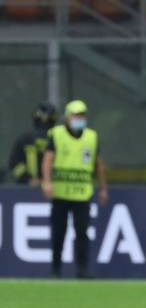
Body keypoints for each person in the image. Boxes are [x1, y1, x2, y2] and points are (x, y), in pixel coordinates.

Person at [41, 100, 108, 278]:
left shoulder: (91, 137)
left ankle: (82, 269)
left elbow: (99, 164)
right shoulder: (56, 134)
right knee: (59, 232)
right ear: (67, 117)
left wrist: (103, 188)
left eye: (82, 115)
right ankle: (56, 269)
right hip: (60, 193)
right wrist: (46, 182)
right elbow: (48, 159)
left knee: (82, 233)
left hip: (82, 193)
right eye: (76, 115)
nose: (80, 118)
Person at [9, 103, 57, 185]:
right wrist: (29, 179)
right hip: (33, 189)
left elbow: (14, 164)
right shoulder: (24, 140)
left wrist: (29, 180)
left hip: (32, 189)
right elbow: (14, 164)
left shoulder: (24, 138)